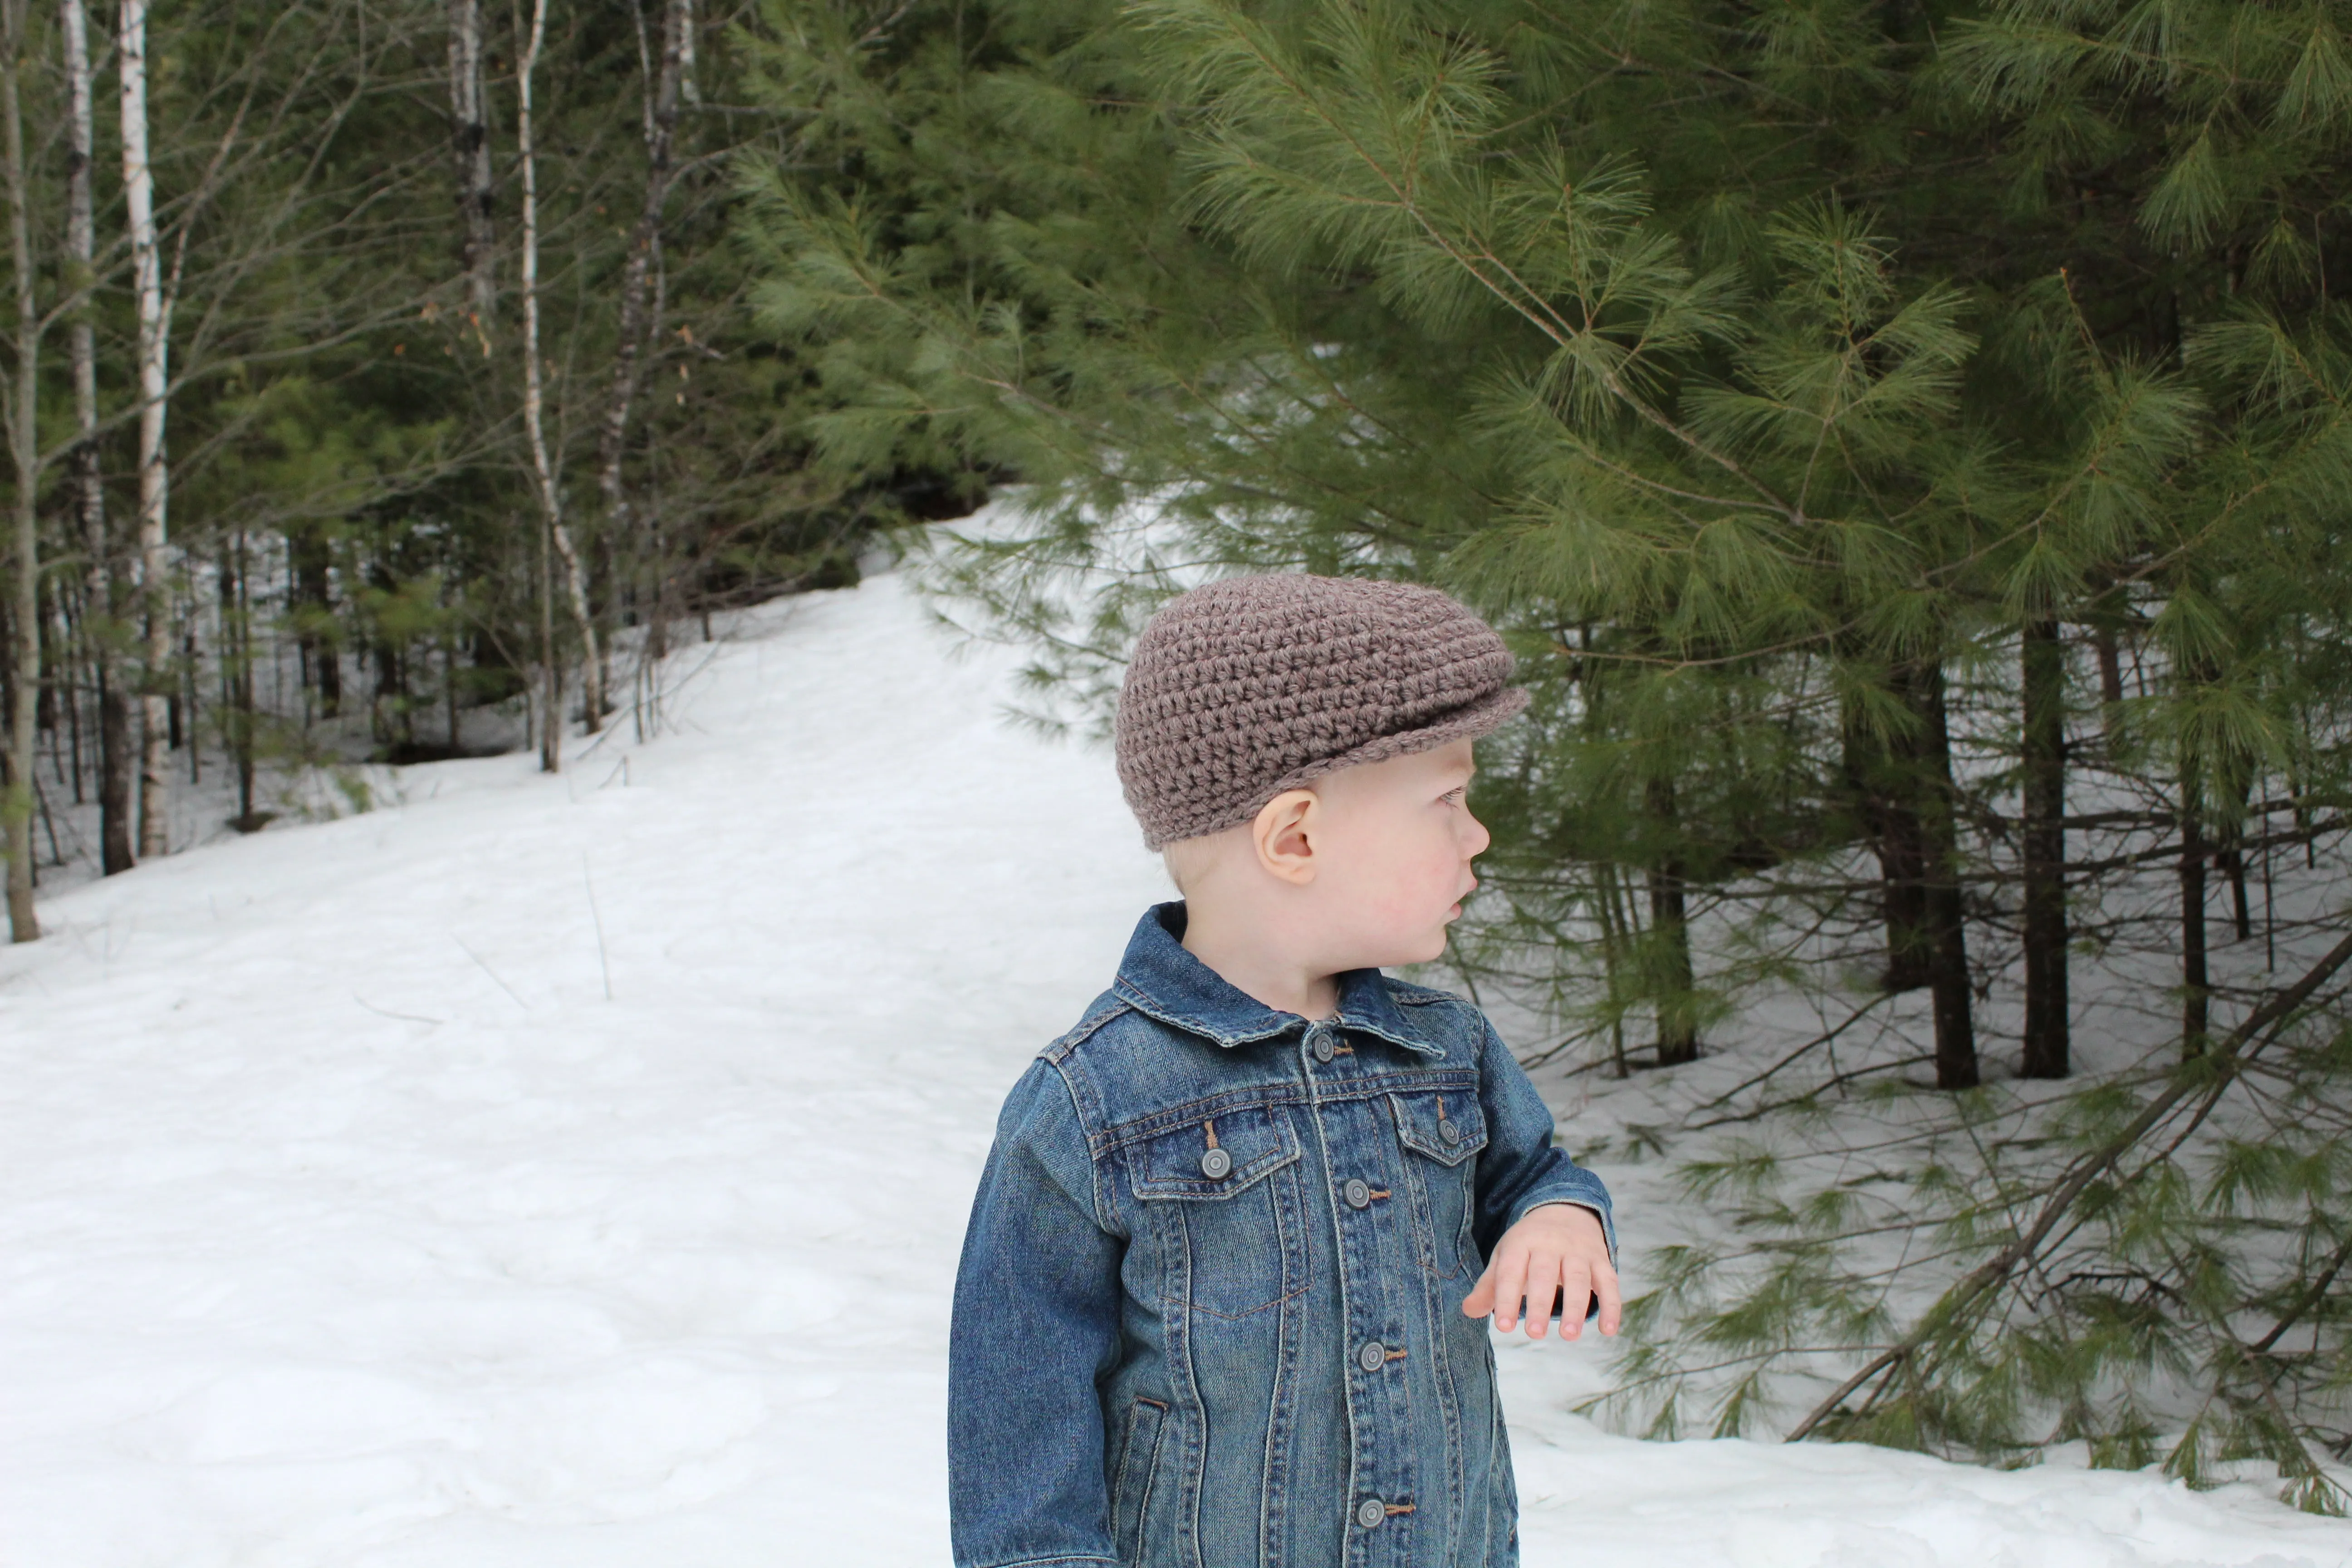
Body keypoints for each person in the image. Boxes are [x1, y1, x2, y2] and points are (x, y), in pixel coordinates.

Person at [949, 573, 1620, 1568]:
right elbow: (1019, 1419)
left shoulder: (1446, 1053)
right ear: (1296, 837)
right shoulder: (1094, 1105)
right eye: (1450, 801)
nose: (1478, 838)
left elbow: (1534, 1175)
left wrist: (1559, 1217)